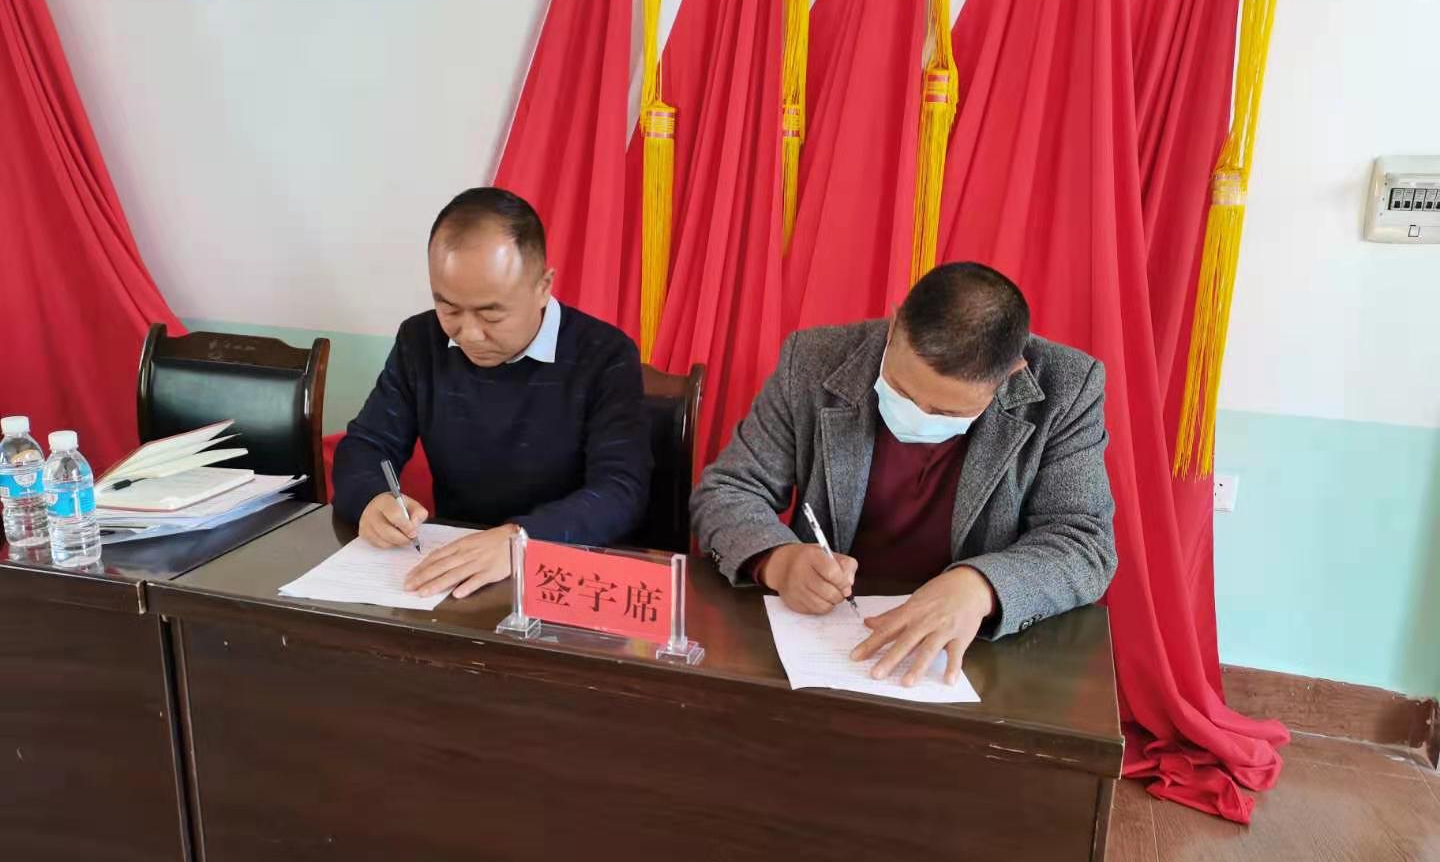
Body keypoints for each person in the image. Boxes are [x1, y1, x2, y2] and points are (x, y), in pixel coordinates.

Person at [691, 261, 1116, 687]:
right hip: (829, 630)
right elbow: (728, 489)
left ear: (1010, 374)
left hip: (972, 655)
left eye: (947, 412)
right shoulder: (814, 360)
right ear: (894, 326)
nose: (919, 415)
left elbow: (1084, 543)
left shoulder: (1066, 388)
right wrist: (777, 560)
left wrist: (981, 587)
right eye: (901, 390)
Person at [332, 187, 652, 598]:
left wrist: (521, 539)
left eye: (491, 314)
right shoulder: (420, 341)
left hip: (564, 577)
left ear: (543, 286)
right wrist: (371, 498)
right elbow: (367, 443)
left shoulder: (604, 354)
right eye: (449, 308)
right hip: (453, 573)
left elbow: (620, 490)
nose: (468, 334)